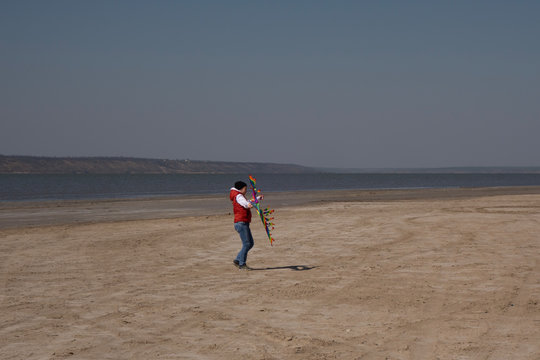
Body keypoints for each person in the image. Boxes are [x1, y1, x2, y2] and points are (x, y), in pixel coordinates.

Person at [229, 180, 262, 269]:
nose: (246, 190)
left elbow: (247, 202)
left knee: (250, 243)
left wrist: (257, 199)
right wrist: (249, 205)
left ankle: (237, 260)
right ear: (241, 188)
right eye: (245, 188)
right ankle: (242, 264)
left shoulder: (239, 195)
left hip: (243, 222)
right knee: (247, 244)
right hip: (241, 222)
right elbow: (245, 204)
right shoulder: (238, 196)